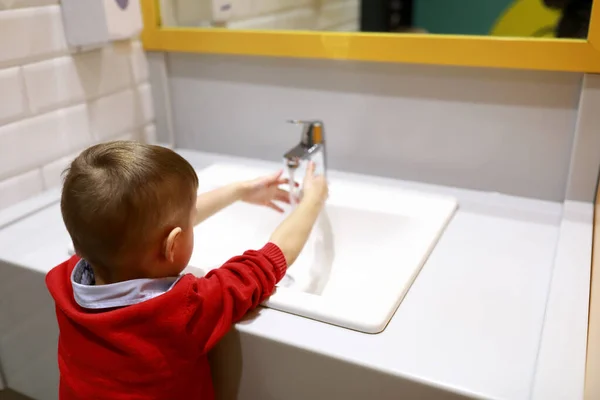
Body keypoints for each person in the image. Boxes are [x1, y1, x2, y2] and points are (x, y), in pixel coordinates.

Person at [45, 141, 329, 400]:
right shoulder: (182, 310)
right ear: (173, 245)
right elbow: (271, 258)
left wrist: (239, 191)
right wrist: (313, 200)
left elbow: (150, 224)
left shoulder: (66, 284)